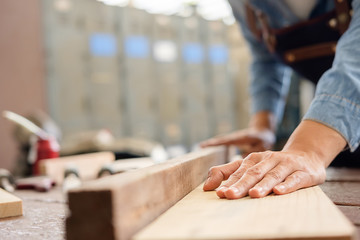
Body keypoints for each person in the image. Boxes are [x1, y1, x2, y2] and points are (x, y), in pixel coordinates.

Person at [200, 0, 360, 199]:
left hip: (330, 130)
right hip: (339, 139)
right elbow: (265, 60)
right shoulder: (243, 5)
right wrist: (263, 125)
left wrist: (309, 150)